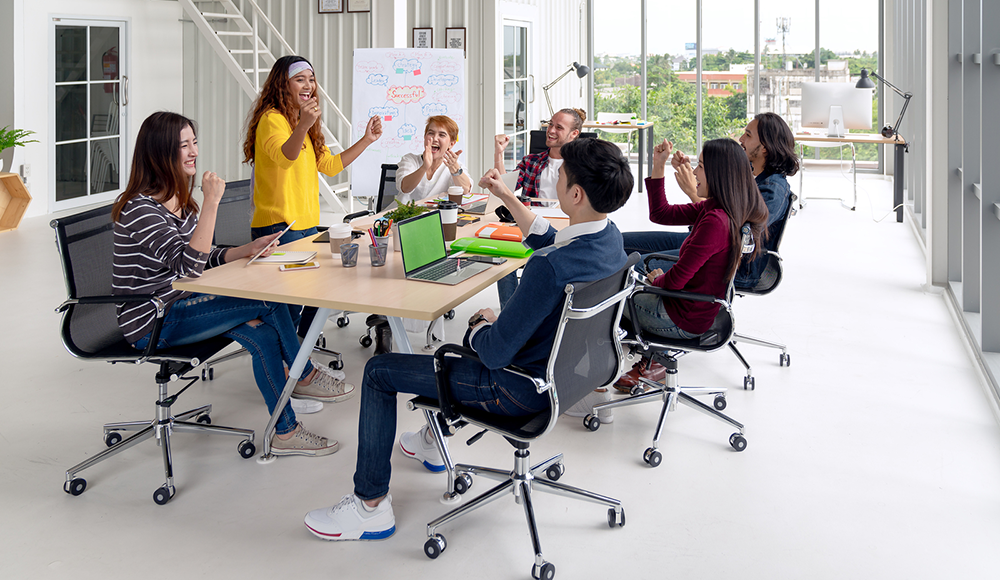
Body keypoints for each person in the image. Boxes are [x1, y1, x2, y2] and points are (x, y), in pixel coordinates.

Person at [301, 138, 633, 541]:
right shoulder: (608, 238)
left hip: (514, 390)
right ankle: (429, 440)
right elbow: (552, 239)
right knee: (454, 360)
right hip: (563, 379)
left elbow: (493, 353)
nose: (557, 178)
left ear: (575, 194)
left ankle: (369, 506)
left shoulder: (550, 268)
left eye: (561, 176)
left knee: (379, 371)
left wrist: (481, 323)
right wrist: (506, 196)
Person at [113, 111, 355, 457]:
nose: (194, 152)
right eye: (184, 145)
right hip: (155, 320)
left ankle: (285, 432)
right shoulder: (140, 209)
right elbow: (189, 267)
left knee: (263, 336)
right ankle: (303, 376)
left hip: (185, 304)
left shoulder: (178, 201)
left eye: (194, 142)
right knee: (269, 299)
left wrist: (246, 250)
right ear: (159, 153)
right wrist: (211, 202)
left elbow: (203, 255)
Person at [616, 113, 796, 389]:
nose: (742, 138)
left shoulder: (744, 204)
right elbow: (661, 213)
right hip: (702, 253)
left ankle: (648, 358)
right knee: (622, 250)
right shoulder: (722, 202)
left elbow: (726, 235)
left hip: (711, 280)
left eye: (700, 167)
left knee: (620, 281)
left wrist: (656, 280)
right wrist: (658, 165)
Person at [242, 55, 382, 336]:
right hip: (279, 226)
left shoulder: (302, 122)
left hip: (305, 225)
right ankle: (290, 353)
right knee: (290, 304)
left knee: (320, 292)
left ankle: (301, 345)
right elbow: (286, 158)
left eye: (311, 79)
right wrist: (303, 125)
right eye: (299, 79)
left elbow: (330, 166)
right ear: (283, 84)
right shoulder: (272, 119)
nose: (308, 85)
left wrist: (366, 140)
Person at [492, 107, 588, 309]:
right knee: (504, 255)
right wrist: (499, 154)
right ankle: (509, 313)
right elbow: (505, 188)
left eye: (559, 127)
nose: (550, 130)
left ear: (574, 134)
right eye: (550, 125)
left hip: (565, 232)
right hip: (532, 228)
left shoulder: (583, 166)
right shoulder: (532, 162)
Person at [395, 115, 472, 204]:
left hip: (436, 212)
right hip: (404, 211)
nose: (434, 138)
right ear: (425, 137)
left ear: (451, 144)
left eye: (442, 135)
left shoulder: (455, 165)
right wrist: (424, 167)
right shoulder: (410, 159)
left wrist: (455, 170)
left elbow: (465, 190)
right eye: (431, 133)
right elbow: (405, 188)